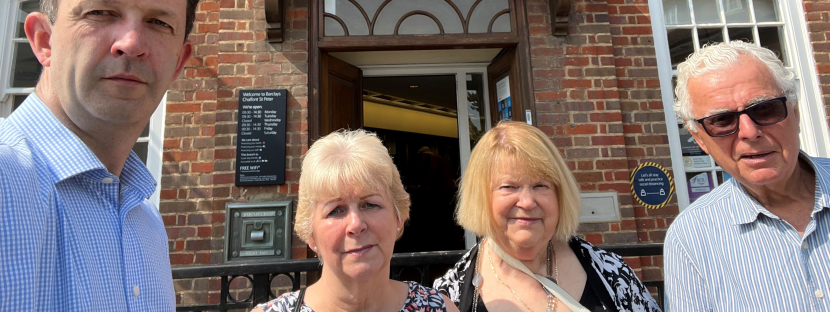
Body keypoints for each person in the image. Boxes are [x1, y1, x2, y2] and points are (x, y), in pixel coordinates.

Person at [0, 0, 201, 311]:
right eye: (100, 13)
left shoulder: (146, 224)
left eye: (158, 22)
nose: (131, 42)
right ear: (43, 41)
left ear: (178, 63)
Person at [664, 41, 830, 311]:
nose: (749, 132)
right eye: (722, 120)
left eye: (764, 109)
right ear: (699, 140)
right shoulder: (692, 237)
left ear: (795, 112)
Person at [434, 121, 661, 312]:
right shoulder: (449, 295)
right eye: (509, 186)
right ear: (482, 197)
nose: (527, 201)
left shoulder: (611, 272)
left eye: (541, 185)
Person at [252, 129, 460, 312]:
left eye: (370, 205)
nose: (356, 224)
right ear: (310, 233)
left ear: (399, 216)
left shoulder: (439, 308)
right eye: (335, 210)